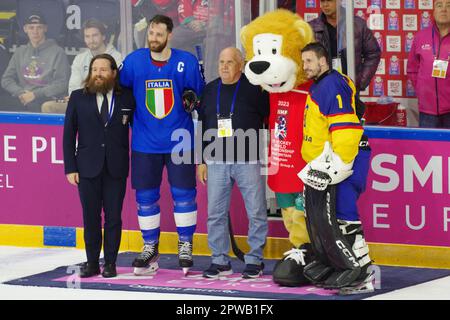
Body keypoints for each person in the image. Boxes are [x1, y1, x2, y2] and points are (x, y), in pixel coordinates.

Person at [119, 14, 205, 276]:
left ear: (170, 35)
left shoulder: (186, 61)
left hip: (181, 140)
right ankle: (150, 248)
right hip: (145, 142)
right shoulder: (134, 61)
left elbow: (199, 98)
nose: (153, 38)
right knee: (145, 199)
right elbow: (121, 90)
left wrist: (194, 98)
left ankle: (185, 245)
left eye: (159, 34)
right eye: (151, 33)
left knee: (184, 196)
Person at [299, 42, 373, 294]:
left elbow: (347, 130)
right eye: (303, 61)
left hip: (344, 161)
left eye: (309, 61)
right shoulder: (321, 84)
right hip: (326, 164)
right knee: (324, 220)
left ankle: (362, 271)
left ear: (323, 61)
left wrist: (340, 163)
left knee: (343, 216)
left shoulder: (332, 84)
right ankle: (339, 265)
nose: (305, 66)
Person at [197, 47, 269, 279]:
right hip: (216, 160)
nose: (224, 66)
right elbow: (203, 125)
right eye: (221, 61)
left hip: (248, 158)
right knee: (215, 214)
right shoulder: (209, 90)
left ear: (241, 64)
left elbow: (266, 116)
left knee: (256, 211)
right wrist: (201, 160)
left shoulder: (255, 89)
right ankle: (219, 261)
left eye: (230, 62)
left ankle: (255, 260)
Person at [63, 54, 135, 278]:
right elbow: (68, 135)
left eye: (104, 69)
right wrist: (70, 167)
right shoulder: (78, 97)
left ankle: (110, 263)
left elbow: (141, 126)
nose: (98, 74)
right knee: (90, 217)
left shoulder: (127, 98)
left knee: (114, 217)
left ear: (113, 73)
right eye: (95, 69)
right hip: (86, 168)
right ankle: (92, 262)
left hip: (116, 167)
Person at [308, 0, 381, 119]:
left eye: (329, 1)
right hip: (322, 89)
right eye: (322, 1)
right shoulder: (312, 27)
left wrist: (359, 82)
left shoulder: (357, 24)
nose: (325, 5)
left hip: (349, 88)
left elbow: (373, 53)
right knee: (322, 129)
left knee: (348, 130)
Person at [41, 19, 122, 114]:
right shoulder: (80, 58)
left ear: (103, 36)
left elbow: (111, 88)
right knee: (48, 107)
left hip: (107, 105)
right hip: (82, 102)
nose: (91, 40)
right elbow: (74, 88)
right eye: (87, 36)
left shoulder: (117, 58)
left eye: (95, 35)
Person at [1, 13, 69, 113]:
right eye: (31, 28)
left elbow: (61, 84)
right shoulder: (20, 52)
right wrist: (21, 92)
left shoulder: (58, 52)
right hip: (23, 96)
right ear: (25, 29)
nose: (35, 32)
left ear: (45, 29)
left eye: (39, 27)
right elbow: (6, 79)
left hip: (45, 97)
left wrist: (35, 94)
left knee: (35, 106)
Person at [407, 0, 450, 128]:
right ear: (433, 11)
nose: (443, 9)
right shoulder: (421, 37)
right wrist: (421, 89)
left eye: (448, 5)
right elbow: (412, 69)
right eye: (439, 5)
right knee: (427, 147)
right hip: (427, 111)